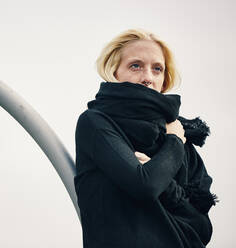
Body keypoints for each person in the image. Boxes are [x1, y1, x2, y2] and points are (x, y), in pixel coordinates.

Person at [74, 29, 218, 248]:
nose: (147, 78)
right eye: (135, 65)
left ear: (164, 80)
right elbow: (144, 185)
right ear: (114, 72)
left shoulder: (180, 134)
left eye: (157, 69)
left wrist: (168, 188)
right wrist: (174, 144)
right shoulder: (96, 122)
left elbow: (202, 228)